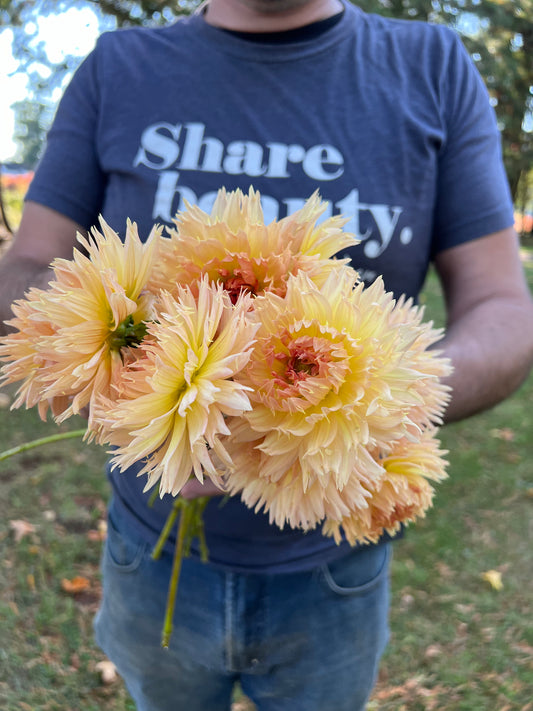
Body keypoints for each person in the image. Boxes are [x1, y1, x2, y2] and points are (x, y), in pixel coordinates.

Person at [1, 1, 533, 709]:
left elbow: (503, 307)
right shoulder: (115, 66)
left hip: (332, 568)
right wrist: (139, 379)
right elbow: (27, 264)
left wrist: (373, 404)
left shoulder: (435, 67)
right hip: (148, 543)